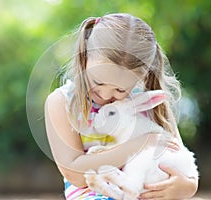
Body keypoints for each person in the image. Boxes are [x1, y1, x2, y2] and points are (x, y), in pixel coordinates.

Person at [45, 13, 198, 200]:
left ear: (141, 78)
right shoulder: (62, 102)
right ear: (84, 59)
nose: (106, 95)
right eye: (98, 82)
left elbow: (180, 156)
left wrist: (187, 186)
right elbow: (75, 173)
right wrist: (140, 145)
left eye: (119, 89)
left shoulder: (144, 101)